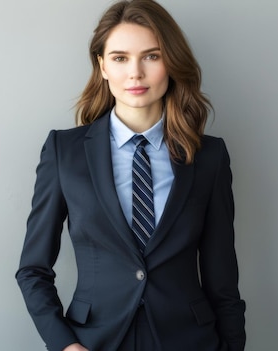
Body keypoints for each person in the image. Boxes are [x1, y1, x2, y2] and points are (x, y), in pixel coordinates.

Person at [15, 1, 246, 350]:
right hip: (95, 341)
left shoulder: (209, 157)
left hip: (189, 340)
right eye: (120, 58)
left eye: (151, 56)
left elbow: (222, 279)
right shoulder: (65, 153)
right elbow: (32, 270)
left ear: (171, 62)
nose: (135, 73)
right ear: (102, 65)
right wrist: (64, 345)